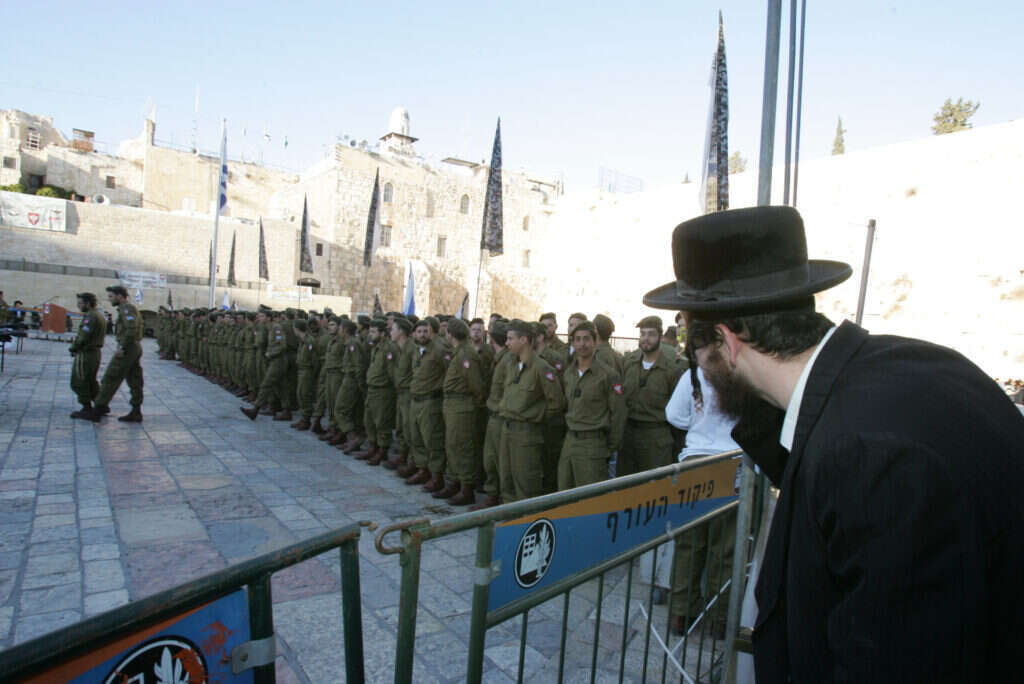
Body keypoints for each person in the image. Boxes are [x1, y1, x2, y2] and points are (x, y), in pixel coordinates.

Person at [642, 205, 1024, 683]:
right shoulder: (904, 364)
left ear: (726, 341)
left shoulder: (867, 456)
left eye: (694, 348)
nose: (697, 365)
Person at [663, 364, 740, 636]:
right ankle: (720, 618)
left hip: (696, 460)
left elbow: (673, 415)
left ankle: (682, 613)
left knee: (689, 542)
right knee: (727, 546)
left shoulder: (695, 374)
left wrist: (699, 425)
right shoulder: (743, 371)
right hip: (733, 462)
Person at [497, 319, 564, 503]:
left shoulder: (542, 368)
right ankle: (510, 523)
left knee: (526, 483)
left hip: (526, 433)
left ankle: (527, 525)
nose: (506, 343)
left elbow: (556, 402)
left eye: (511, 338)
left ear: (524, 340)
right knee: (507, 479)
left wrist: (536, 416)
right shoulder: (512, 364)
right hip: (507, 429)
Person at [558, 320, 625, 490]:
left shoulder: (608, 375)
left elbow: (618, 414)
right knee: (564, 493)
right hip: (570, 442)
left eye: (587, 339)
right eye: (578, 339)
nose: (582, 344)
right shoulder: (568, 374)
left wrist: (609, 448)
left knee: (590, 500)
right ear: (572, 343)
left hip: (593, 445)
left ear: (595, 342)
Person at [619, 315, 681, 477]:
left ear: (660, 336)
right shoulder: (629, 362)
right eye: (643, 334)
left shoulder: (671, 369)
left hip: (656, 438)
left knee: (654, 488)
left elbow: (678, 411)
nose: (646, 339)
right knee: (624, 488)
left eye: (651, 334)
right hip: (628, 436)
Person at [438, 317, 486, 504]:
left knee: (463, 446)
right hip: (453, 405)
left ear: (450, 334)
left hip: (462, 406)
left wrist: (473, 405)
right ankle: (454, 482)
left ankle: (466, 488)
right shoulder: (459, 351)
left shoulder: (466, 354)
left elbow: (476, 386)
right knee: (452, 444)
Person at [405, 317, 451, 491]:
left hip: (431, 401)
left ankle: (437, 476)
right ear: (414, 334)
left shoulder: (439, 350)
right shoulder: (417, 350)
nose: (423, 334)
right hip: (415, 400)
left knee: (432, 440)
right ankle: (422, 469)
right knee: (416, 437)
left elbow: (449, 371)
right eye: (419, 332)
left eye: (425, 331)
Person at [89, 285, 144, 422]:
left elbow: (131, 329)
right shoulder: (126, 309)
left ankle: (98, 409)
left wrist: (123, 347)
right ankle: (136, 411)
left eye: (111, 296)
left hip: (129, 348)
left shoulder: (126, 309)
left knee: (110, 377)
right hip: (133, 346)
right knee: (134, 379)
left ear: (120, 296)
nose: (109, 299)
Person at [361, 319, 397, 465]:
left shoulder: (389, 349)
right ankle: (373, 446)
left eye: (373, 332)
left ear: (382, 333)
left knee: (382, 422)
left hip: (383, 391)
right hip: (372, 389)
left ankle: (382, 450)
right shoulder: (376, 347)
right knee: (369, 420)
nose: (370, 335)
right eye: (370, 331)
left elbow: (392, 372)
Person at [69, 293, 106, 419]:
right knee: (91, 380)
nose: (78, 306)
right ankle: (100, 405)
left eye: (80, 303)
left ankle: (87, 408)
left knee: (79, 380)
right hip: (94, 352)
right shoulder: (98, 315)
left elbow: (83, 337)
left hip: (86, 353)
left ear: (88, 303)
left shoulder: (90, 317)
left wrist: (74, 348)